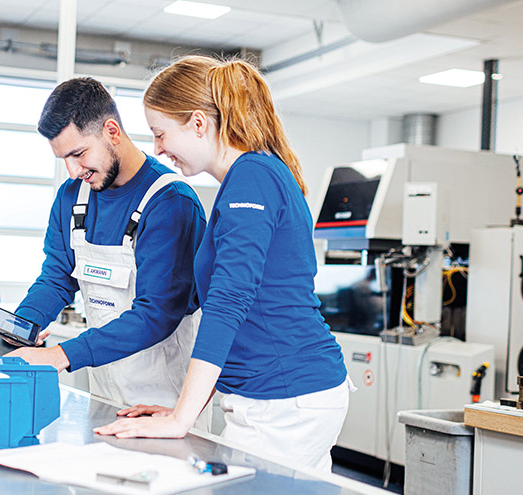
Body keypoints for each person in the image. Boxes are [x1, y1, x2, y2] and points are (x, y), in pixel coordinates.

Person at [94, 56, 351, 473]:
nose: (157, 149)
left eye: (161, 133)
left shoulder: (253, 177)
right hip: (281, 395)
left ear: (198, 123)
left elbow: (230, 301)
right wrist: (181, 410)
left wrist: (181, 419)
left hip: (286, 399)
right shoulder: (254, 175)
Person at [8, 77, 208, 416]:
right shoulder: (73, 198)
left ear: (111, 131)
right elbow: (57, 277)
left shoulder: (170, 203)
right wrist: (18, 330)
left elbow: (156, 314)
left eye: (78, 153)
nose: (72, 171)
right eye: (63, 159)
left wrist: (61, 356)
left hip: (163, 403)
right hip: (103, 396)